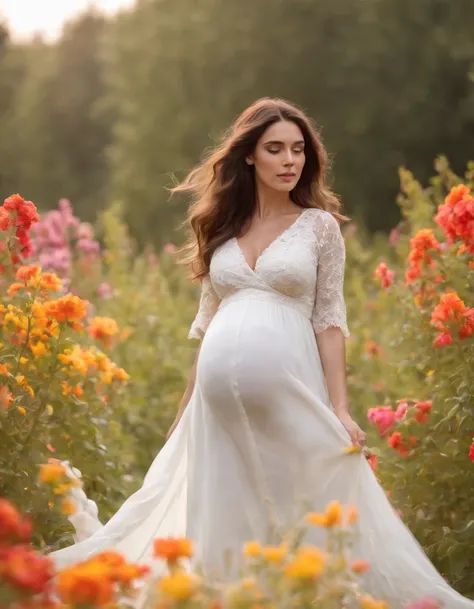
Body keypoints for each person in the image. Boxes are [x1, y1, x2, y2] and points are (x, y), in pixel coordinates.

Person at [50, 98, 474, 608]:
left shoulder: (319, 227)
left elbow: (330, 319)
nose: (289, 160)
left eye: (298, 150)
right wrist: (185, 406)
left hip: (289, 386)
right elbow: (207, 324)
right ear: (249, 156)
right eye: (275, 149)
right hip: (215, 407)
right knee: (224, 508)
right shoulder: (224, 228)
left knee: (306, 494)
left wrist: (339, 407)